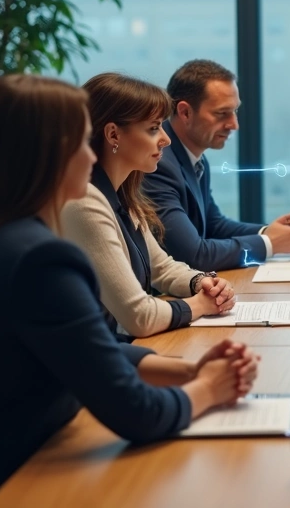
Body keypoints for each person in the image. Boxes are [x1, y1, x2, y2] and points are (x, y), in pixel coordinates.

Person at [0, 75, 259, 507]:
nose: (90, 153)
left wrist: (189, 372)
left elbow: (88, 348)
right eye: (81, 141)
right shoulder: (34, 260)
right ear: (47, 157)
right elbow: (136, 414)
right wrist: (210, 389)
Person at [62, 73, 236, 338]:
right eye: (154, 128)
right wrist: (200, 304)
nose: (165, 139)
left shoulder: (122, 194)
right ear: (113, 134)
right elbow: (139, 317)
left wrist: (201, 282)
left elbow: (162, 267)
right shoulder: (85, 201)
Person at [143, 59, 290, 271]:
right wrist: (270, 243)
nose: (234, 124)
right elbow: (193, 254)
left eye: (235, 112)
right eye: (222, 114)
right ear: (185, 112)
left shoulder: (194, 158)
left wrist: (272, 232)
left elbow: (214, 225)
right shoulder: (157, 163)